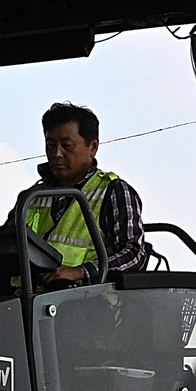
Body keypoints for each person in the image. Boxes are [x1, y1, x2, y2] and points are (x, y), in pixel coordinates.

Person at [14, 102, 143, 289]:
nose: (57, 153)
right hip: (27, 307)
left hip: (87, 306)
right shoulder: (31, 197)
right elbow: (6, 249)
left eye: (67, 145)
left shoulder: (113, 192)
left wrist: (80, 272)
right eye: (50, 145)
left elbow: (134, 255)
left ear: (93, 147)